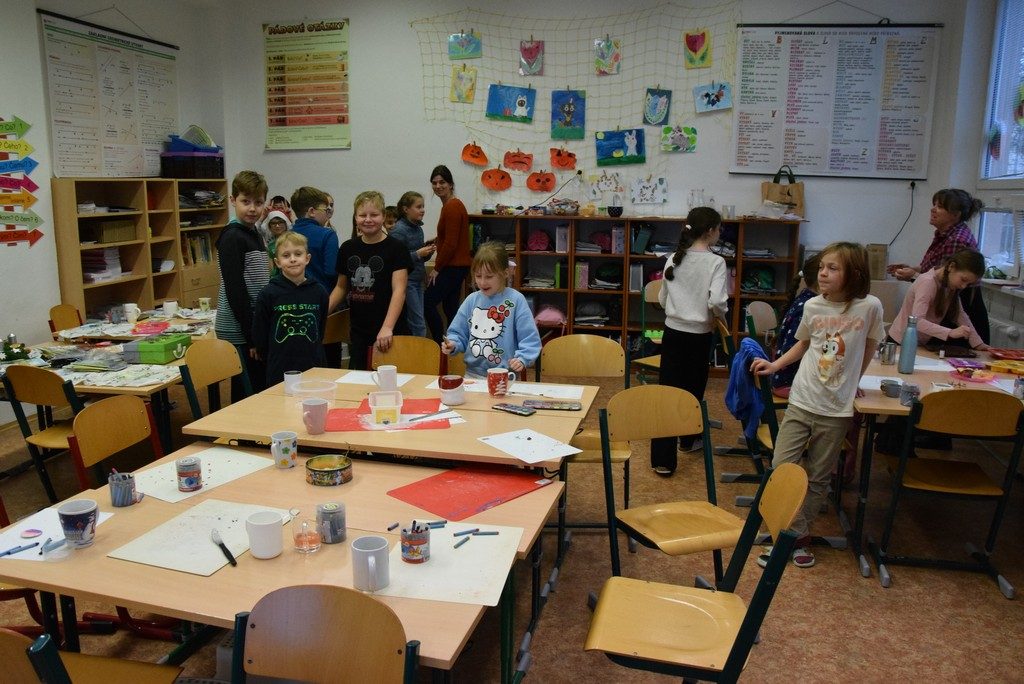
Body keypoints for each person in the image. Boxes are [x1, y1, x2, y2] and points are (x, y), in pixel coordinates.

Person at [751, 242, 885, 568]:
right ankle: (791, 536)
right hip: (802, 398)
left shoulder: (870, 307)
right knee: (782, 467)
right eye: (822, 267)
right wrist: (775, 364)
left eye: (832, 268)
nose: (822, 273)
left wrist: (854, 380)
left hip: (836, 409)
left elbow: (869, 346)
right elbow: (803, 344)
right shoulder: (812, 305)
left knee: (818, 477)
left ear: (854, 273)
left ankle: (794, 536)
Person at [649, 207, 729, 476]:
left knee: (667, 393)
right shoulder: (716, 262)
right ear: (711, 231)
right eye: (719, 228)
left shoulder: (673, 258)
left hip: (672, 333)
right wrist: (720, 318)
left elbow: (662, 300)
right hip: (699, 336)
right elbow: (717, 302)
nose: (719, 232)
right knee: (693, 391)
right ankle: (688, 439)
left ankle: (662, 460)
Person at [887, 188, 989, 342]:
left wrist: (913, 276)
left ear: (955, 214)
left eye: (940, 207)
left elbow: (943, 279)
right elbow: (933, 269)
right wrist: (913, 270)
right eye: (934, 204)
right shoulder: (944, 235)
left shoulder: (957, 240)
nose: (933, 209)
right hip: (934, 315)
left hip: (956, 305)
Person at [329, 190, 412, 370]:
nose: (368, 219)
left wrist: (387, 327)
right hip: (359, 330)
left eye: (374, 215)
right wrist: (321, 314)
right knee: (359, 378)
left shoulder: (397, 248)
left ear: (383, 216)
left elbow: (399, 290)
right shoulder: (347, 248)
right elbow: (341, 288)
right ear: (355, 218)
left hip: (390, 329)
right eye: (362, 215)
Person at [441, 241, 541, 378]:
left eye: (489, 277)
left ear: (505, 273)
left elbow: (530, 338)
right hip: (473, 375)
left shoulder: (516, 300)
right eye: (478, 276)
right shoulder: (471, 300)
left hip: (506, 376)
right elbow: (457, 333)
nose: (482, 282)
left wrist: (522, 358)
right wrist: (453, 344)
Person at [215, 170, 270, 398]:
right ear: (232, 200)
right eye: (245, 201)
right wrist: (252, 336)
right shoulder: (232, 237)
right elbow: (235, 291)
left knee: (257, 384)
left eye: (258, 202)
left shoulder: (254, 232)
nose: (252, 208)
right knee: (246, 390)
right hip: (238, 326)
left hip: (251, 322)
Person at [252, 231, 328, 386]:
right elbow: (260, 333)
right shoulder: (268, 293)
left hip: (313, 362)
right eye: (286, 256)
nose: (293, 259)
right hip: (280, 365)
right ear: (277, 262)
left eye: (298, 254)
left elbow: (320, 329)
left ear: (307, 258)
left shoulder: (319, 292)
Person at [888, 249, 989, 351]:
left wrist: (978, 343)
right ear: (951, 267)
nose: (963, 286)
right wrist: (950, 332)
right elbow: (916, 321)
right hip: (899, 342)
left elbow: (960, 315)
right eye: (963, 280)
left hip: (917, 343)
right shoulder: (927, 282)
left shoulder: (949, 285)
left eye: (968, 284)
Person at [423, 165, 471, 344]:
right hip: (457, 266)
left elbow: (451, 244)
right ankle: (454, 346)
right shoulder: (451, 205)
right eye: (434, 183)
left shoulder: (452, 207)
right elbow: (452, 235)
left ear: (451, 184)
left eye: (442, 182)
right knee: (450, 308)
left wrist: (436, 268)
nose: (438, 186)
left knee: (427, 302)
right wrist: (437, 239)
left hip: (453, 266)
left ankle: (439, 344)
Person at [772, 252, 822, 395]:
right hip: (789, 382)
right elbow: (795, 348)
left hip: (786, 378)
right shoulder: (810, 306)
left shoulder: (805, 298)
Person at [389, 191, 435, 337]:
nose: (423, 210)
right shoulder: (399, 230)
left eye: (423, 206)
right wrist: (418, 254)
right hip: (406, 282)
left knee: (416, 322)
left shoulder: (418, 229)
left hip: (418, 281)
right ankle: (418, 350)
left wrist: (428, 251)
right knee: (418, 324)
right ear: (406, 209)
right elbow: (394, 259)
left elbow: (419, 259)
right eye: (418, 207)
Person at [289, 186, 339, 296]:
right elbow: (331, 272)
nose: (327, 213)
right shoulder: (328, 235)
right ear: (312, 211)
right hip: (321, 296)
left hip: (291, 296)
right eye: (325, 210)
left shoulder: (286, 236)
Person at [263, 209, 292, 276]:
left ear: (286, 224)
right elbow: (271, 270)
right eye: (273, 223)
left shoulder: (294, 241)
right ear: (269, 227)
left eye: (280, 222)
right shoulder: (270, 246)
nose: (277, 226)